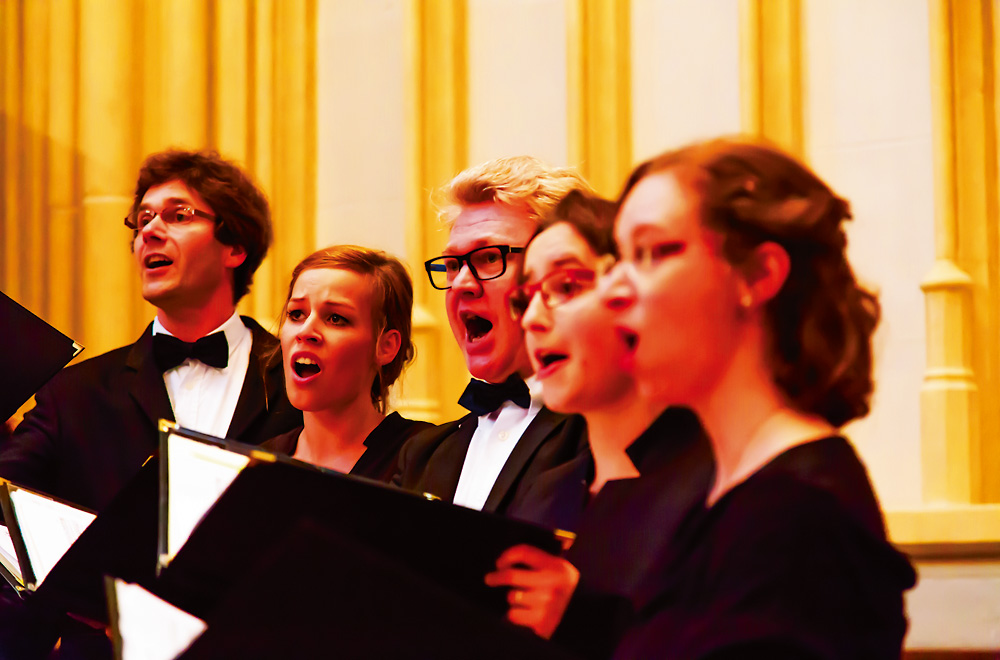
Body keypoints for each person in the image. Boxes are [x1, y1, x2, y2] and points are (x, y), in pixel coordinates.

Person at [487, 137, 916, 659]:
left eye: (651, 253)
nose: (618, 291)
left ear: (758, 274)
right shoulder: (725, 497)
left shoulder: (799, 510)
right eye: (620, 259)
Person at [0, 149, 301, 659]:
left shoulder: (298, 380)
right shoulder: (75, 393)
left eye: (178, 215)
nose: (150, 232)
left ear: (236, 246)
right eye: (142, 219)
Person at [393, 156, 591, 532]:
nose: (461, 284)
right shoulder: (422, 456)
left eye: (488, 258)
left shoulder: (607, 431)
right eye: (452, 265)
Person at [260, 245, 431, 482]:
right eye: (296, 314)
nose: (305, 331)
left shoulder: (425, 457)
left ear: (386, 346)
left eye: (336, 318)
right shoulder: (261, 462)